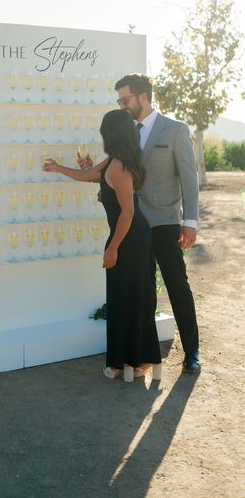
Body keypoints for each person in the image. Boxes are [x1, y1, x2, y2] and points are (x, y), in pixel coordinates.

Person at [80, 73, 200, 373]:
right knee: (142, 291)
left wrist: (191, 221)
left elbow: (189, 179)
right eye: (119, 101)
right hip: (134, 228)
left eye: (125, 99)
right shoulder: (126, 132)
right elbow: (117, 175)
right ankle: (142, 357)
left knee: (176, 285)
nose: (121, 105)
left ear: (143, 97)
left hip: (165, 223)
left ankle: (192, 352)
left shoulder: (175, 130)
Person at [43, 109, 162, 383]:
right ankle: (134, 359)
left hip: (128, 236)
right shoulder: (116, 161)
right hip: (134, 235)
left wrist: (113, 248)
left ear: (111, 134)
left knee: (127, 298)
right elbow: (89, 177)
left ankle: (127, 362)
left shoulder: (118, 166)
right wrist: (60, 167)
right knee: (132, 297)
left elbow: (127, 212)